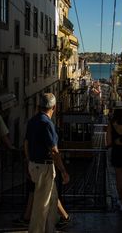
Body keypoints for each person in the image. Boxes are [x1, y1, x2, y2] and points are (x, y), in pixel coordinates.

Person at [25, 93, 69, 233]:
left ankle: (50, 229)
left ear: (39, 106)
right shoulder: (47, 124)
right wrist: (63, 170)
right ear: (54, 107)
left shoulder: (32, 121)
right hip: (44, 166)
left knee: (52, 198)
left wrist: (29, 162)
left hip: (34, 165)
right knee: (41, 206)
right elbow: (54, 150)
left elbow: (26, 144)